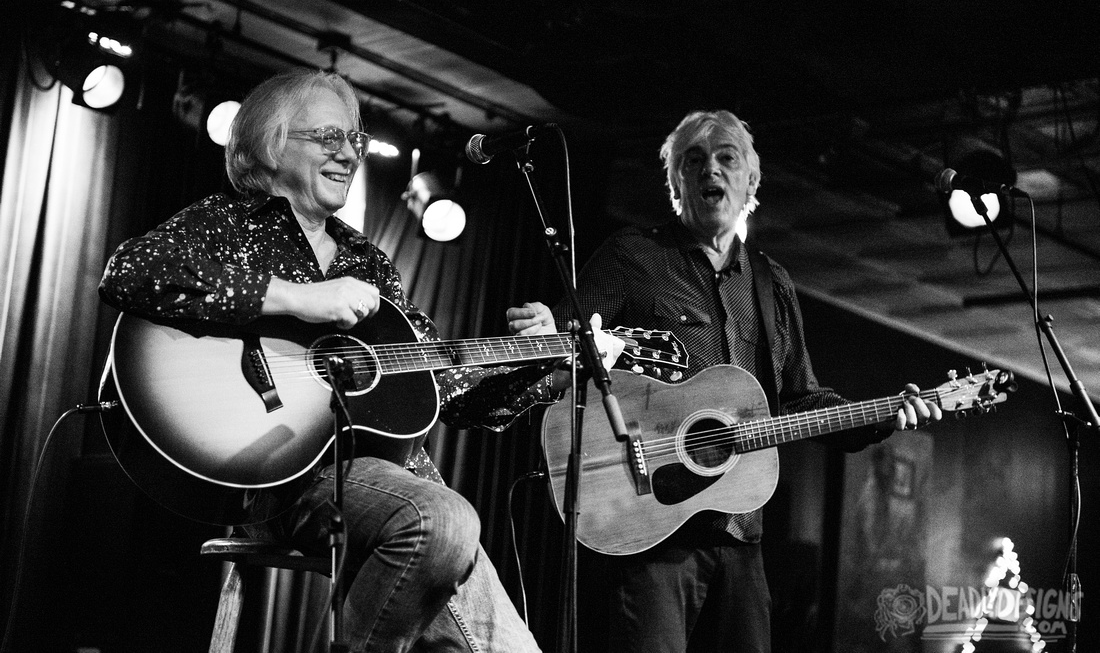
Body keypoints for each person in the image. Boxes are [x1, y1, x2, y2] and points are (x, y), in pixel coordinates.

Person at [98, 68, 619, 653]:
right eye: (328, 138)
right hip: (281, 477)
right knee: (443, 520)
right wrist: (299, 297)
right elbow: (131, 273)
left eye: (355, 141)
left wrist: (542, 359)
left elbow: (443, 388)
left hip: (394, 486)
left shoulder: (367, 261)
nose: (348, 153)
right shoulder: (228, 222)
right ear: (271, 144)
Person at [506, 110, 942, 652]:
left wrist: (881, 415)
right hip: (652, 527)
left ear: (750, 182)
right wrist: (549, 336)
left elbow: (802, 398)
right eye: (694, 160)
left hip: (741, 536)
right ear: (675, 182)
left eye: (726, 158)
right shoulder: (633, 257)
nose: (710, 169)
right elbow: (574, 345)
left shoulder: (771, 283)